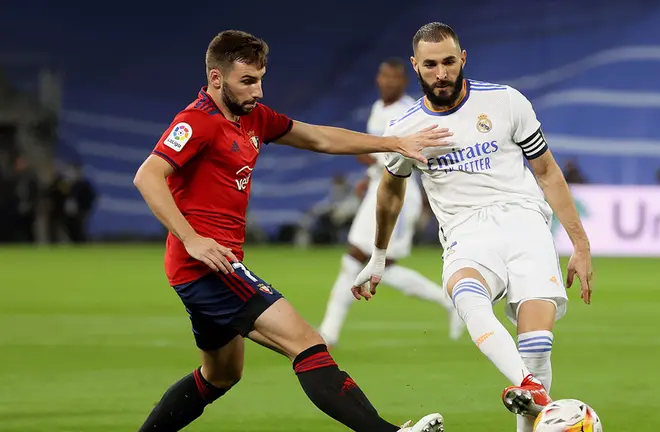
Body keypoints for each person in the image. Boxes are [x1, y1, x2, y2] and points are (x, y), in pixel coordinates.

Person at [133, 30, 449, 432]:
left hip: (209, 267)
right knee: (307, 342)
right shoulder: (196, 122)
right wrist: (192, 239)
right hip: (209, 268)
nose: (259, 91)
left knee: (220, 375)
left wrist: (392, 142)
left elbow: (319, 137)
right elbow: (148, 176)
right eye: (247, 81)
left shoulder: (253, 118)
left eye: (261, 79)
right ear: (216, 78)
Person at [351, 22, 593, 432]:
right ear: (416, 66)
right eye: (431, 65)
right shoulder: (403, 130)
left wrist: (581, 246)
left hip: (525, 222)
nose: (441, 73)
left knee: (536, 348)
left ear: (463, 58)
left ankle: (531, 388)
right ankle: (536, 393)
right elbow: (389, 193)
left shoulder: (505, 101)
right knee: (466, 294)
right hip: (466, 232)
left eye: (449, 61)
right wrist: (378, 256)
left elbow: (547, 171)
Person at [319, 58, 463, 347]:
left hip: (401, 191)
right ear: (378, 79)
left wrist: (368, 155)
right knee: (366, 260)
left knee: (367, 258)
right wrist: (370, 172)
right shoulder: (378, 109)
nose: (387, 82)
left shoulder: (409, 111)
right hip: (377, 186)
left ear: (404, 82)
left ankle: (328, 332)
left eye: (393, 77)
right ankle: (328, 332)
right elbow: (378, 154)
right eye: (383, 76)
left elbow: (404, 153)